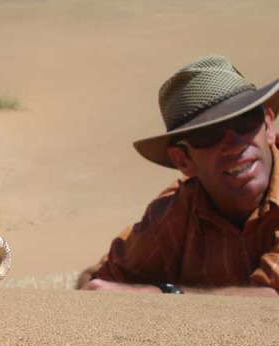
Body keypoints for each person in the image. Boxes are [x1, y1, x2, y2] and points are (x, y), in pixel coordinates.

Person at [80, 55, 279, 296]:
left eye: (245, 119)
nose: (234, 144)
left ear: (268, 126)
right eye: (209, 134)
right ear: (182, 160)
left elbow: (269, 301)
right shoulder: (175, 213)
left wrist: (164, 294)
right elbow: (97, 283)